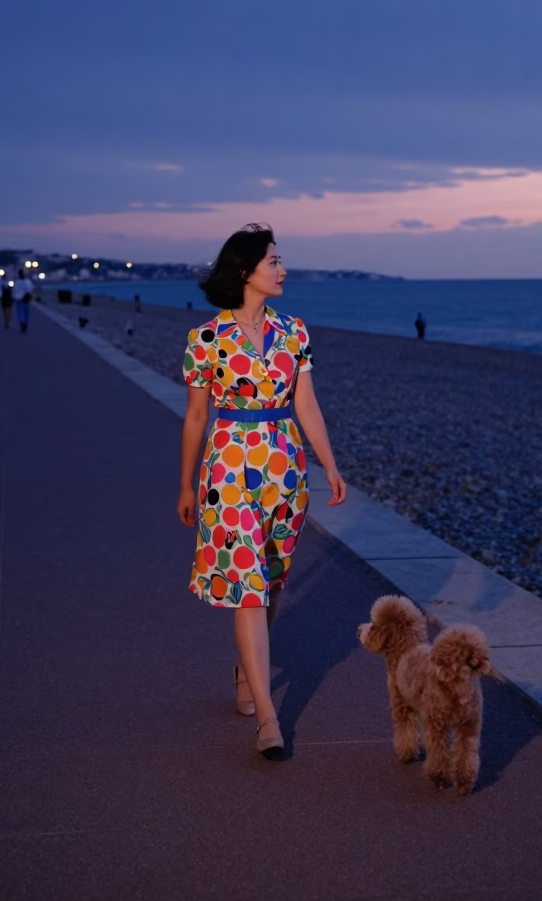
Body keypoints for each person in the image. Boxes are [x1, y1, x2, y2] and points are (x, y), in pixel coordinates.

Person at [178, 224, 347, 758]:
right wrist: (184, 483)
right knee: (247, 584)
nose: (283, 269)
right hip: (228, 467)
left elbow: (307, 405)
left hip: (285, 466)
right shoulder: (207, 339)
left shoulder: (294, 332)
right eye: (274, 261)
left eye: (280, 260)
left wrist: (330, 464)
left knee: (271, 582)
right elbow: (197, 415)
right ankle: (270, 722)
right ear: (246, 271)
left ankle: (243, 668)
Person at [13, 267, 34, 333]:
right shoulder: (27, 281)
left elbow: (14, 291)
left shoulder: (17, 282)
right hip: (26, 299)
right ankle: (25, 322)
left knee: (20, 312)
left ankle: (22, 323)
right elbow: (30, 290)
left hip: (19, 299)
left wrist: (14, 297)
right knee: (26, 312)